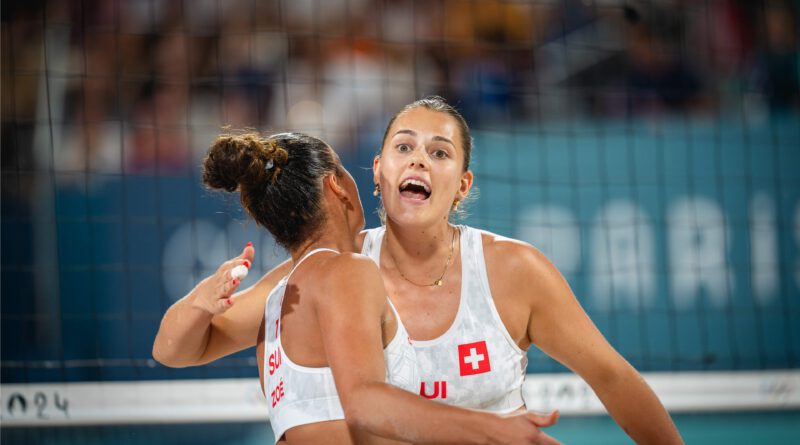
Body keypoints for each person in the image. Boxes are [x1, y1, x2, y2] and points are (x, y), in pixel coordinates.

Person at [155, 97, 684, 444]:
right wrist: (199, 301)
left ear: (462, 184)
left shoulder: (513, 270)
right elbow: (183, 347)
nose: (419, 161)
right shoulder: (323, 275)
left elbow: (613, 376)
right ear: (376, 175)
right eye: (404, 147)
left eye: (440, 152)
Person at [153, 131, 560, 444]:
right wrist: (494, 430)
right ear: (336, 185)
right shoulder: (347, 271)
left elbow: (169, 350)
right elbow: (365, 403)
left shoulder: (283, 293)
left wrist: (199, 301)